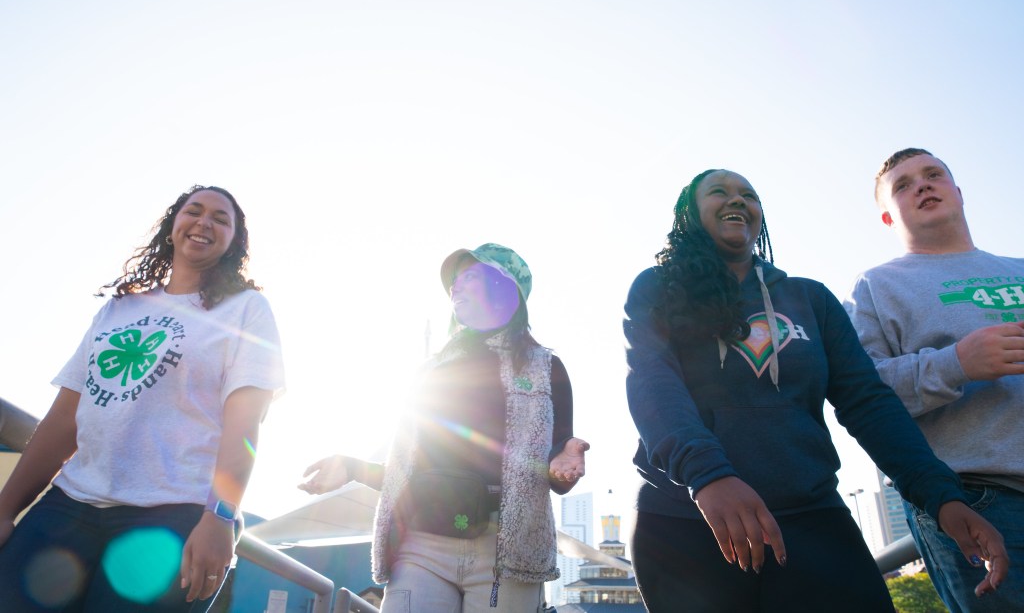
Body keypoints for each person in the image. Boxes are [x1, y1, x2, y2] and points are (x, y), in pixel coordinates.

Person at [623, 168, 1008, 612]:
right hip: (684, 521)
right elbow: (652, 383)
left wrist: (941, 495)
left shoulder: (811, 300)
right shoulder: (657, 288)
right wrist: (709, 475)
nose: (737, 200)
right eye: (719, 192)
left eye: (749, 194)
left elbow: (869, 403)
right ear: (689, 214)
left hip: (810, 517)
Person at [0, 185, 286, 612]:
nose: (204, 221)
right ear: (172, 228)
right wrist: (5, 508)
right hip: (71, 504)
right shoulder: (119, 310)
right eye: (194, 210)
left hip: (170, 515)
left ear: (233, 243)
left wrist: (221, 517)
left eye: (221, 219)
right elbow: (64, 420)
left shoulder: (246, 310)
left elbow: (243, 427)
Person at [300, 243, 589, 613]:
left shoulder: (546, 368)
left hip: (506, 552)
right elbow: (406, 473)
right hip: (421, 547)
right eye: (454, 281)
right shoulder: (429, 372)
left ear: (506, 289)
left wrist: (565, 463)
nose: (455, 287)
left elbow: (557, 466)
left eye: (470, 277)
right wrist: (352, 468)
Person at [845, 148, 1024, 612]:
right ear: (887, 217)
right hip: (979, 499)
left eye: (933, 175)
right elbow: (864, 394)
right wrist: (957, 362)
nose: (922, 185)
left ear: (958, 193)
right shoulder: (875, 288)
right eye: (903, 185)